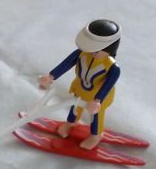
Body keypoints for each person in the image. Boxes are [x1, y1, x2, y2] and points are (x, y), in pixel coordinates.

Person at [39, 20, 121, 151]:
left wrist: (98, 100)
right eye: (91, 48)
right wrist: (51, 76)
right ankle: (70, 123)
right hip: (79, 89)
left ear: (110, 49)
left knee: (96, 115)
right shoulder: (81, 53)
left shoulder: (113, 67)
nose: (93, 52)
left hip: (98, 97)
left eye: (97, 50)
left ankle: (96, 135)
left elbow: (108, 85)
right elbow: (65, 65)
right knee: (75, 107)